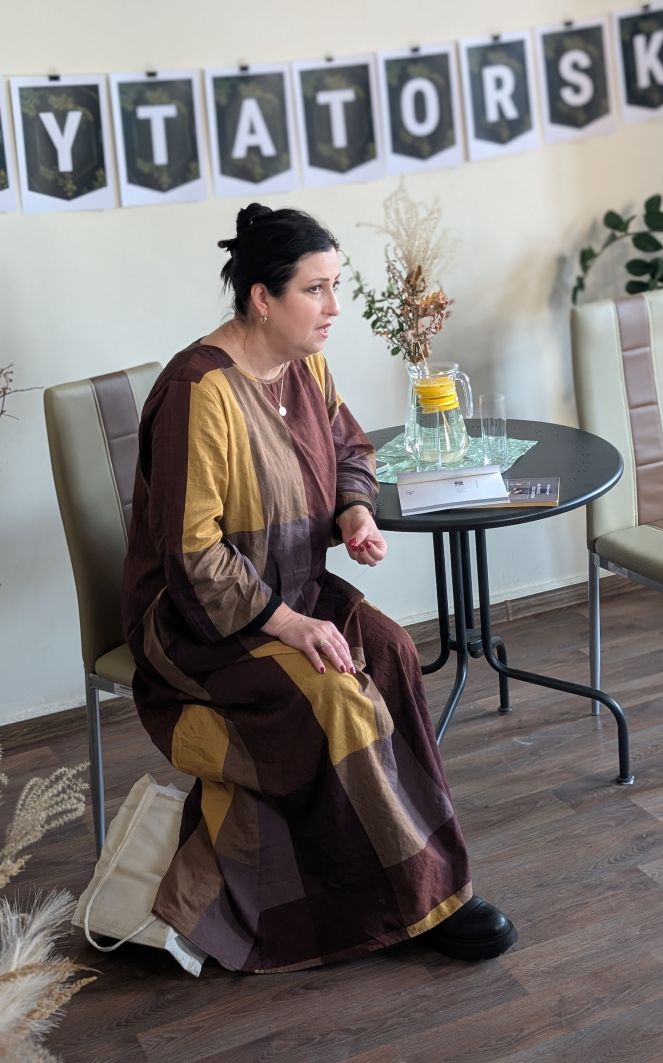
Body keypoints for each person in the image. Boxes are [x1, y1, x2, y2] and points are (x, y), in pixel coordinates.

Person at [121, 203, 517, 973]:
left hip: (291, 588)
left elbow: (352, 449)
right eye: (316, 289)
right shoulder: (199, 392)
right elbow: (192, 554)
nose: (335, 306)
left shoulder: (306, 365)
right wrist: (289, 624)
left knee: (394, 651)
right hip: (197, 623)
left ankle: (419, 874)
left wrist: (355, 510)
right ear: (262, 298)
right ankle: (415, 901)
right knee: (334, 694)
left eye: (336, 285)